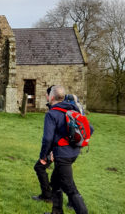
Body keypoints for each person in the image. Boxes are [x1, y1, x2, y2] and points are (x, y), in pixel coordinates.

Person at [40, 85, 94, 214]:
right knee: (55, 182)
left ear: (51, 97)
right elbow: (90, 129)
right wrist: (76, 143)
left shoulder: (52, 114)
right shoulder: (72, 109)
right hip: (74, 152)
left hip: (62, 156)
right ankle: (57, 212)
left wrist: (44, 157)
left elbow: (47, 139)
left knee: (70, 188)